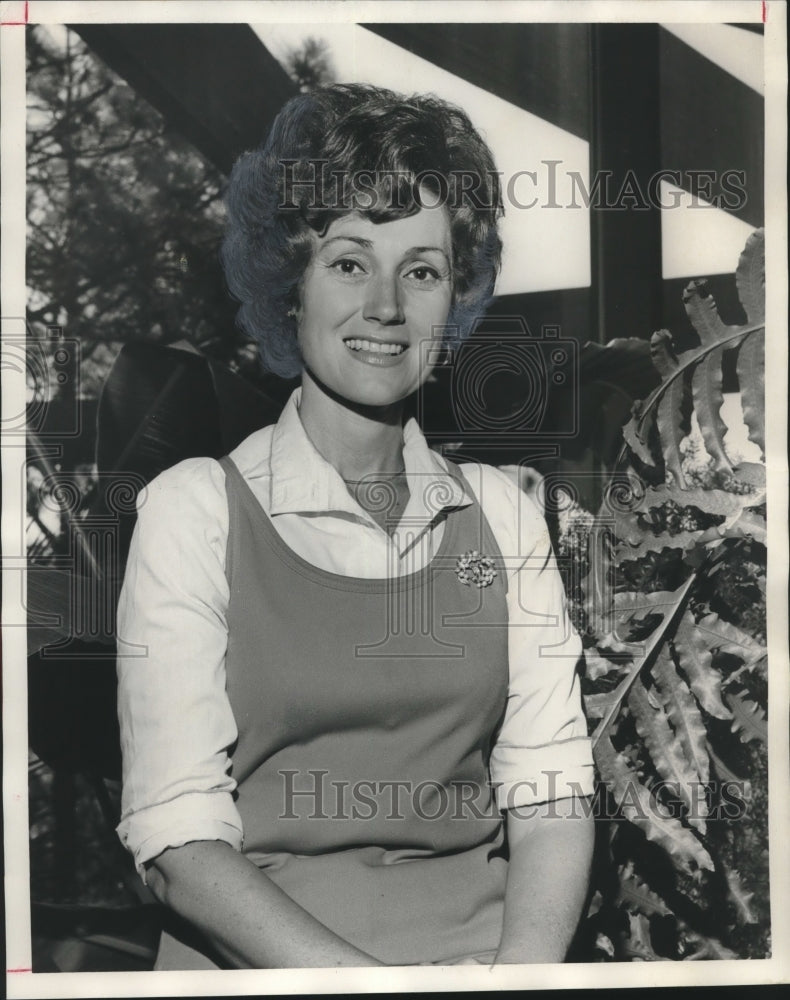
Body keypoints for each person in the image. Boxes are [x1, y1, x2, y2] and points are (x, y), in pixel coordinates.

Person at [115, 83, 595, 970]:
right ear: (288, 283)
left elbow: (552, 792)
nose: (385, 306)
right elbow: (176, 838)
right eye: (347, 262)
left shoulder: (502, 516)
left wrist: (517, 983)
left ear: (454, 300)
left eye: (421, 270)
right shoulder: (195, 511)